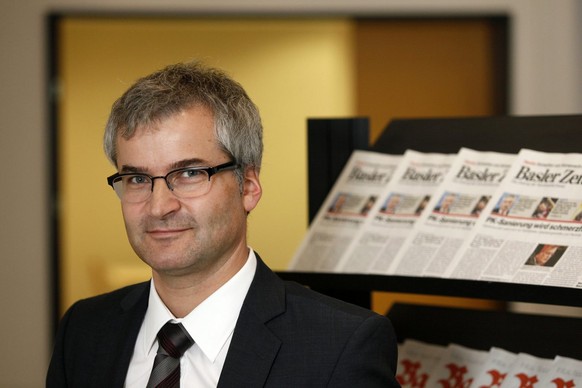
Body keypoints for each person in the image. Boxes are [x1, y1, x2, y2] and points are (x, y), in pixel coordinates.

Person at [46, 61, 399, 387]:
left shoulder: (340, 345)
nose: (159, 206)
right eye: (137, 179)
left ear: (248, 187)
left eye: (189, 173)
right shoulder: (85, 330)